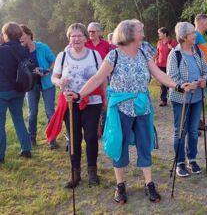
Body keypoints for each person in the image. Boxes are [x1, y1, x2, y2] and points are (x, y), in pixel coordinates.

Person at [65, 19, 189, 204]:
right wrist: (79, 94)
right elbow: (98, 78)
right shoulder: (113, 56)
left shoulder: (144, 53)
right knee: (119, 146)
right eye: (140, 31)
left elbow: (159, 74)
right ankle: (120, 185)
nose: (143, 34)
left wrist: (177, 85)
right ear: (129, 34)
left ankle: (149, 183)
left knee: (144, 144)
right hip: (121, 109)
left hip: (143, 107)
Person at [51, 23, 106, 188]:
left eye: (79, 35)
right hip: (69, 103)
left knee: (91, 137)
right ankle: (75, 174)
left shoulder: (95, 55)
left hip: (92, 101)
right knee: (74, 137)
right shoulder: (63, 56)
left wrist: (105, 98)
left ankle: (92, 172)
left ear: (85, 37)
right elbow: (54, 77)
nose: (76, 39)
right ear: (69, 38)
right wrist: (59, 81)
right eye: (72, 36)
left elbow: (102, 78)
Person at [167, 22, 207, 177]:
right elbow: (172, 78)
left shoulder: (197, 50)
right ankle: (180, 162)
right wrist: (185, 86)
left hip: (197, 98)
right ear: (184, 36)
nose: (195, 35)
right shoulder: (175, 54)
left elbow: (206, 70)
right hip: (181, 99)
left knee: (193, 131)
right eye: (192, 33)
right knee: (180, 130)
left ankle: (192, 159)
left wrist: (204, 80)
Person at [20, 25, 57, 148]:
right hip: (31, 86)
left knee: (50, 112)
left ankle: (52, 139)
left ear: (29, 34)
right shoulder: (20, 50)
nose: (20, 38)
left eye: (22, 35)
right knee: (32, 113)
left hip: (47, 83)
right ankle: (32, 138)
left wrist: (47, 70)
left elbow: (54, 61)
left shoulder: (42, 47)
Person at [0, 22, 32, 163]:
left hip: (2, 91)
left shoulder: (2, 50)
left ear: (6, 34)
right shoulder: (23, 49)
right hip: (19, 90)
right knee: (18, 119)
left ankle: (0, 156)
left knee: (0, 123)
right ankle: (26, 149)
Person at [194, 13, 207, 131]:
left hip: (204, 71)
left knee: (201, 97)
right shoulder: (195, 35)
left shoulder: (200, 36)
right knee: (197, 97)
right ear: (201, 22)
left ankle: (197, 121)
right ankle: (195, 123)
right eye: (206, 22)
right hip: (199, 72)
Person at [154, 27, 177, 106]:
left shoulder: (172, 42)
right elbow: (157, 53)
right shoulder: (159, 42)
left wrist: (172, 48)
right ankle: (163, 100)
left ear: (164, 34)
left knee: (169, 83)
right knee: (162, 83)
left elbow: (177, 52)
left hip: (169, 66)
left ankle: (172, 98)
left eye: (159, 33)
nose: (158, 34)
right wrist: (155, 61)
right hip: (160, 65)